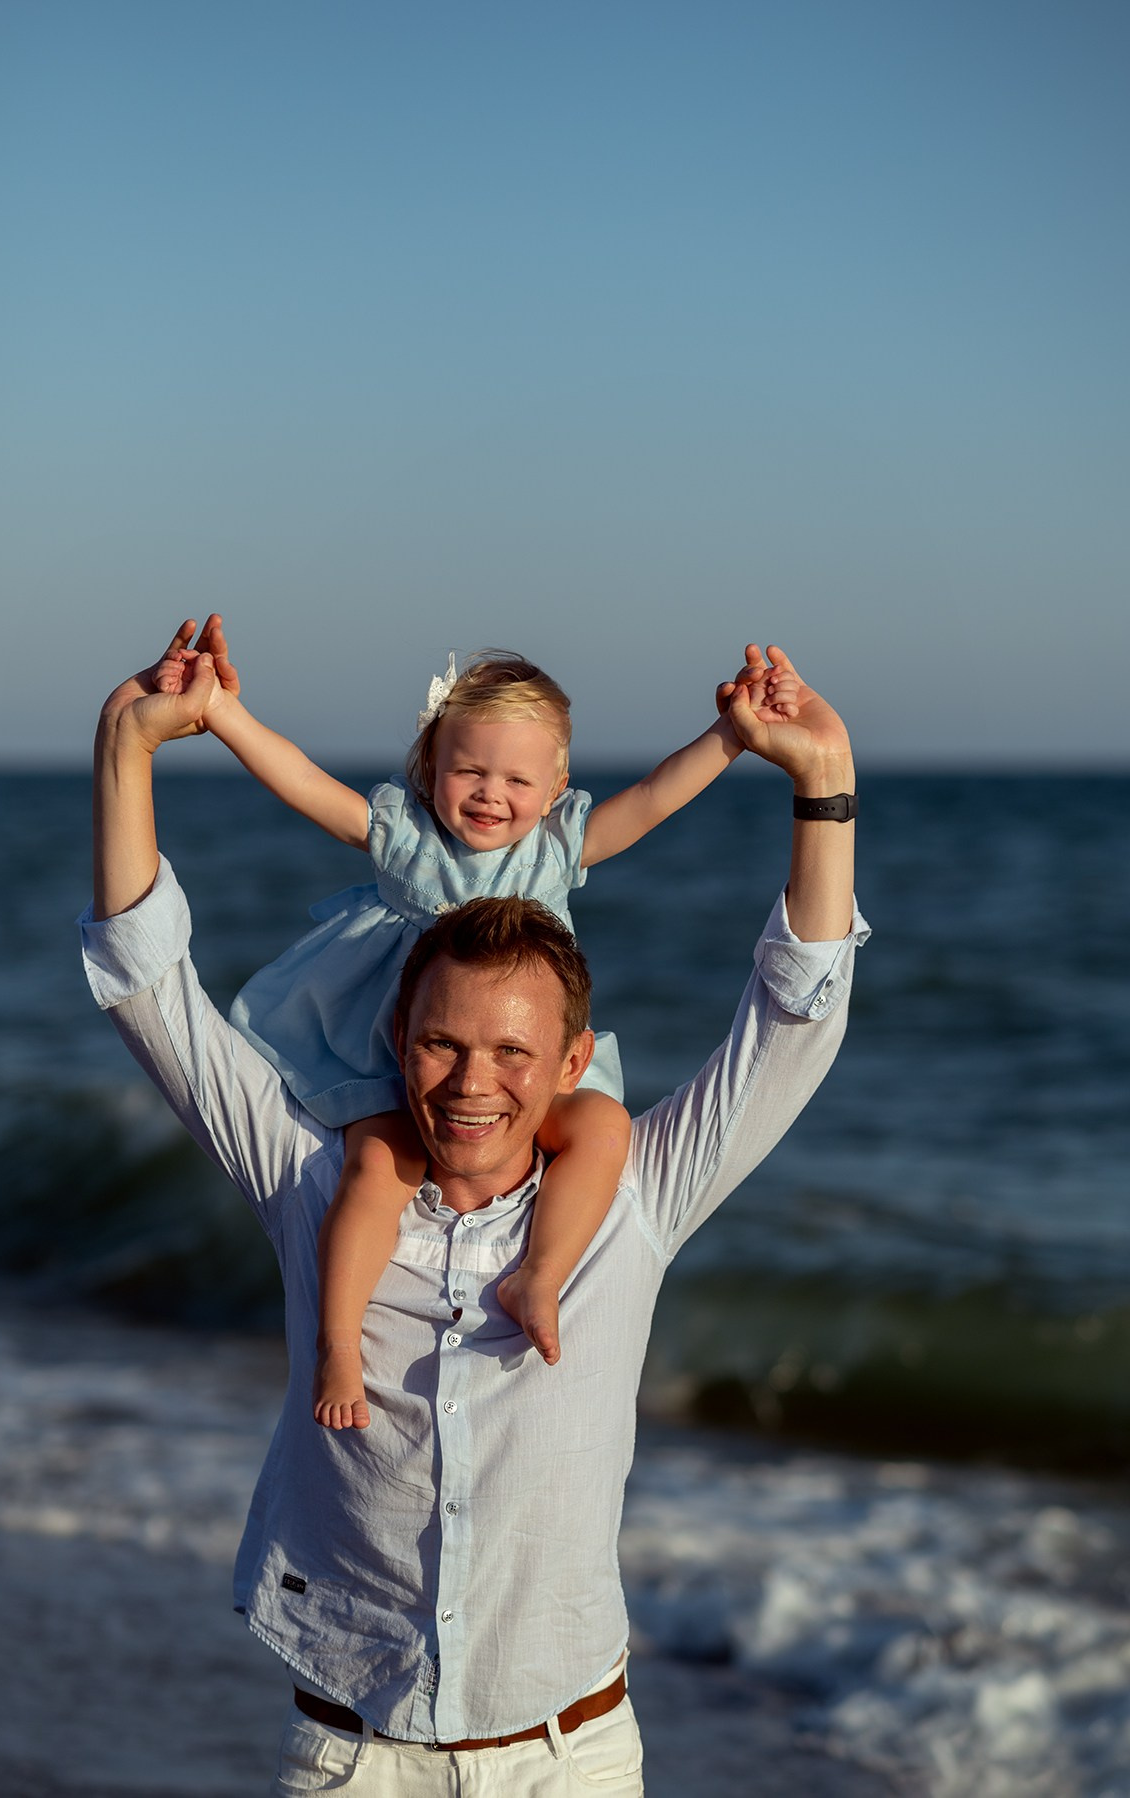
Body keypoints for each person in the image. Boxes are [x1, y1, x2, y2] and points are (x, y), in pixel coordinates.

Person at [82, 619, 868, 1794]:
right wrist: (127, 744)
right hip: (354, 1757)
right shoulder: (312, 1182)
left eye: (512, 1051)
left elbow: (796, 1018)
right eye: (442, 1043)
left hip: (569, 1760)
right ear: (396, 1038)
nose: (471, 1082)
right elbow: (151, 987)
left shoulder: (633, 1200)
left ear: (572, 1063)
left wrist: (823, 782)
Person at [151, 626, 799, 1430]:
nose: (492, 794)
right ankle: (337, 1341)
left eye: (518, 779)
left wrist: (730, 735)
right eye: (470, 771)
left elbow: (654, 799)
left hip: (514, 1067)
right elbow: (308, 785)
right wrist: (221, 714)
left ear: (556, 788)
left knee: (603, 1129)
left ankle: (540, 1275)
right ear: (430, 768)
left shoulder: (555, 850)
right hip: (401, 1058)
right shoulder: (407, 839)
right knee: (377, 1167)